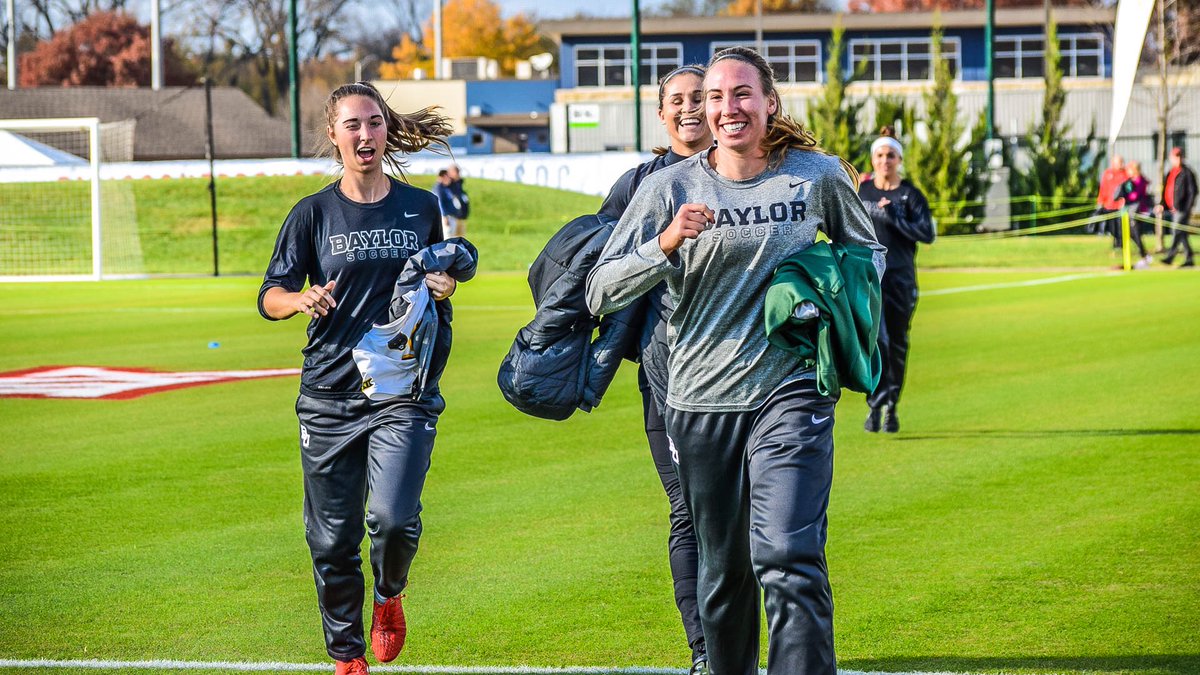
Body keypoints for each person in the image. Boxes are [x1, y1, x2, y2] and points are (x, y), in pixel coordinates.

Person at [586, 46, 885, 675]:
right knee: (724, 579)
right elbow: (601, 289)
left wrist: (829, 297)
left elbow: (867, 253)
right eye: (716, 96)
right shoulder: (671, 188)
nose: (727, 108)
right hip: (699, 400)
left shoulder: (816, 174)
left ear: (770, 102)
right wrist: (665, 244)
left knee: (786, 552)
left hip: (791, 390)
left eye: (742, 94)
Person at [258, 82, 458, 675]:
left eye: (374, 122)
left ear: (386, 130)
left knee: (393, 520)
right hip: (328, 394)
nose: (364, 134)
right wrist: (299, 301)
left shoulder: (421, 207)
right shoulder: (312, 213)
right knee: (331, 539)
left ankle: (389, 594)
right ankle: (347, 657)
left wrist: (444, 285)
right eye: (352, 124)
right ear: (333, 134)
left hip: (403, 391)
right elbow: (269, 296)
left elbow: (436, 275)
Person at [597, 63, 713, 675]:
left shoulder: (747, 168)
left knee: (749, 514)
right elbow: (594, 274)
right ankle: (704, 649)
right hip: (667, 380)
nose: (691, 109)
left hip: (748, 377)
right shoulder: (637, 185)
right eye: (679, 100)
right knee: (687, 511)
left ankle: (744, 639)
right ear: (661, 113)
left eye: (702, 97)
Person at [857, 127, 935, 433]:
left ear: (899, 159)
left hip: (900, 281)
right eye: (880, 155)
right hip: (869, 279)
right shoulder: (863, 193)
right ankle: (875, 404)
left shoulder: (910, 195)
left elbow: (926, 234)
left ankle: (891, 406)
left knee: (897, 344)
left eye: (891, 155)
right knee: (877, 342)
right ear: (873, 159)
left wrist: (896, 218)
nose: (885, 160)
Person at [1157, 147, 1198, 268]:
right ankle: (1189, 258)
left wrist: (1188, 207)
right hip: (1172, 208)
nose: (1178, 159)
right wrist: (1162, 204)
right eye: (1176, 156)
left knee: (1176, 230)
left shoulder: (1187, 172)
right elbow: (1165, 190)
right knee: (1182, 233)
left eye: (1179, 156)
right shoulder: (1170, 172)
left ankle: (1170, 256)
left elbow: (1193, 191)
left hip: (1182, 209)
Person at [1112, 160, 1152, 265]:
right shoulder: (1129, 181)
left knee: (1136, 233)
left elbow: (1135, 196)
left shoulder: (1140, 181)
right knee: (1130, 234)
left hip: (1139, 211)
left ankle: (1145, 256)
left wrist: (1126, 197)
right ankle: (1143, 255)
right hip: (1130, 212)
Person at [1093, 154, 1126, 237]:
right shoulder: (1107, 173)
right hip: (1109, 205)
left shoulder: (1125, 174)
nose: (1121, 164)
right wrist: (1100, 201)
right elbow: (1103, 188)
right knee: (1112, 228)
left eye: (1122, 162)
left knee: (1120, 227)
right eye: (1119, 162)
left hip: (1121, 206)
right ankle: (1116, 245)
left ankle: (1119, 245)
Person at [432, 168, 464, 239]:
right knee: (448, 238)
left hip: (451, 216)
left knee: (453, 238)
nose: (449, 178)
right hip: (447, 217)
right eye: (447, 176)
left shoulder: (446, 187)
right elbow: (440, 202)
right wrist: (445, 216)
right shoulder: (438, 188)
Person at [447, 163, 469, 236]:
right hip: (452, 218)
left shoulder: (459, 184)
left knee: (461, 241)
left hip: (461, 217)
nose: (458, 174)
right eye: (456, 171)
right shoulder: (447, 186)